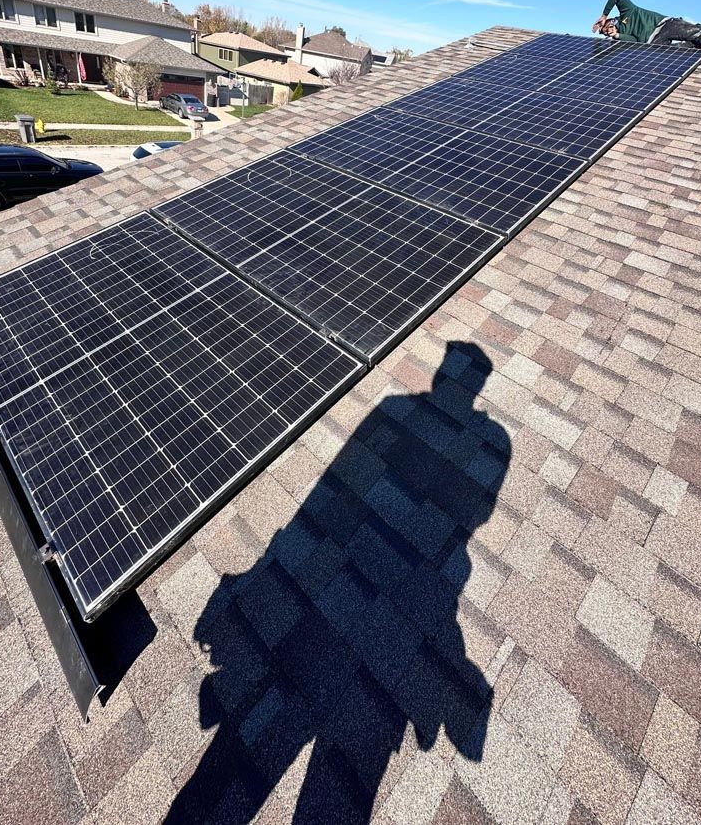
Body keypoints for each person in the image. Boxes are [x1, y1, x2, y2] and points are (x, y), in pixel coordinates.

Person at [165, 340, 512, 825]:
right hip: (392, 601)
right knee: (328, 775)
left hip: (377, 598)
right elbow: (475, 513)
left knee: (250, 769)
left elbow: (340, 483)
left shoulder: (420, 415)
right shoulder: (484, 436)